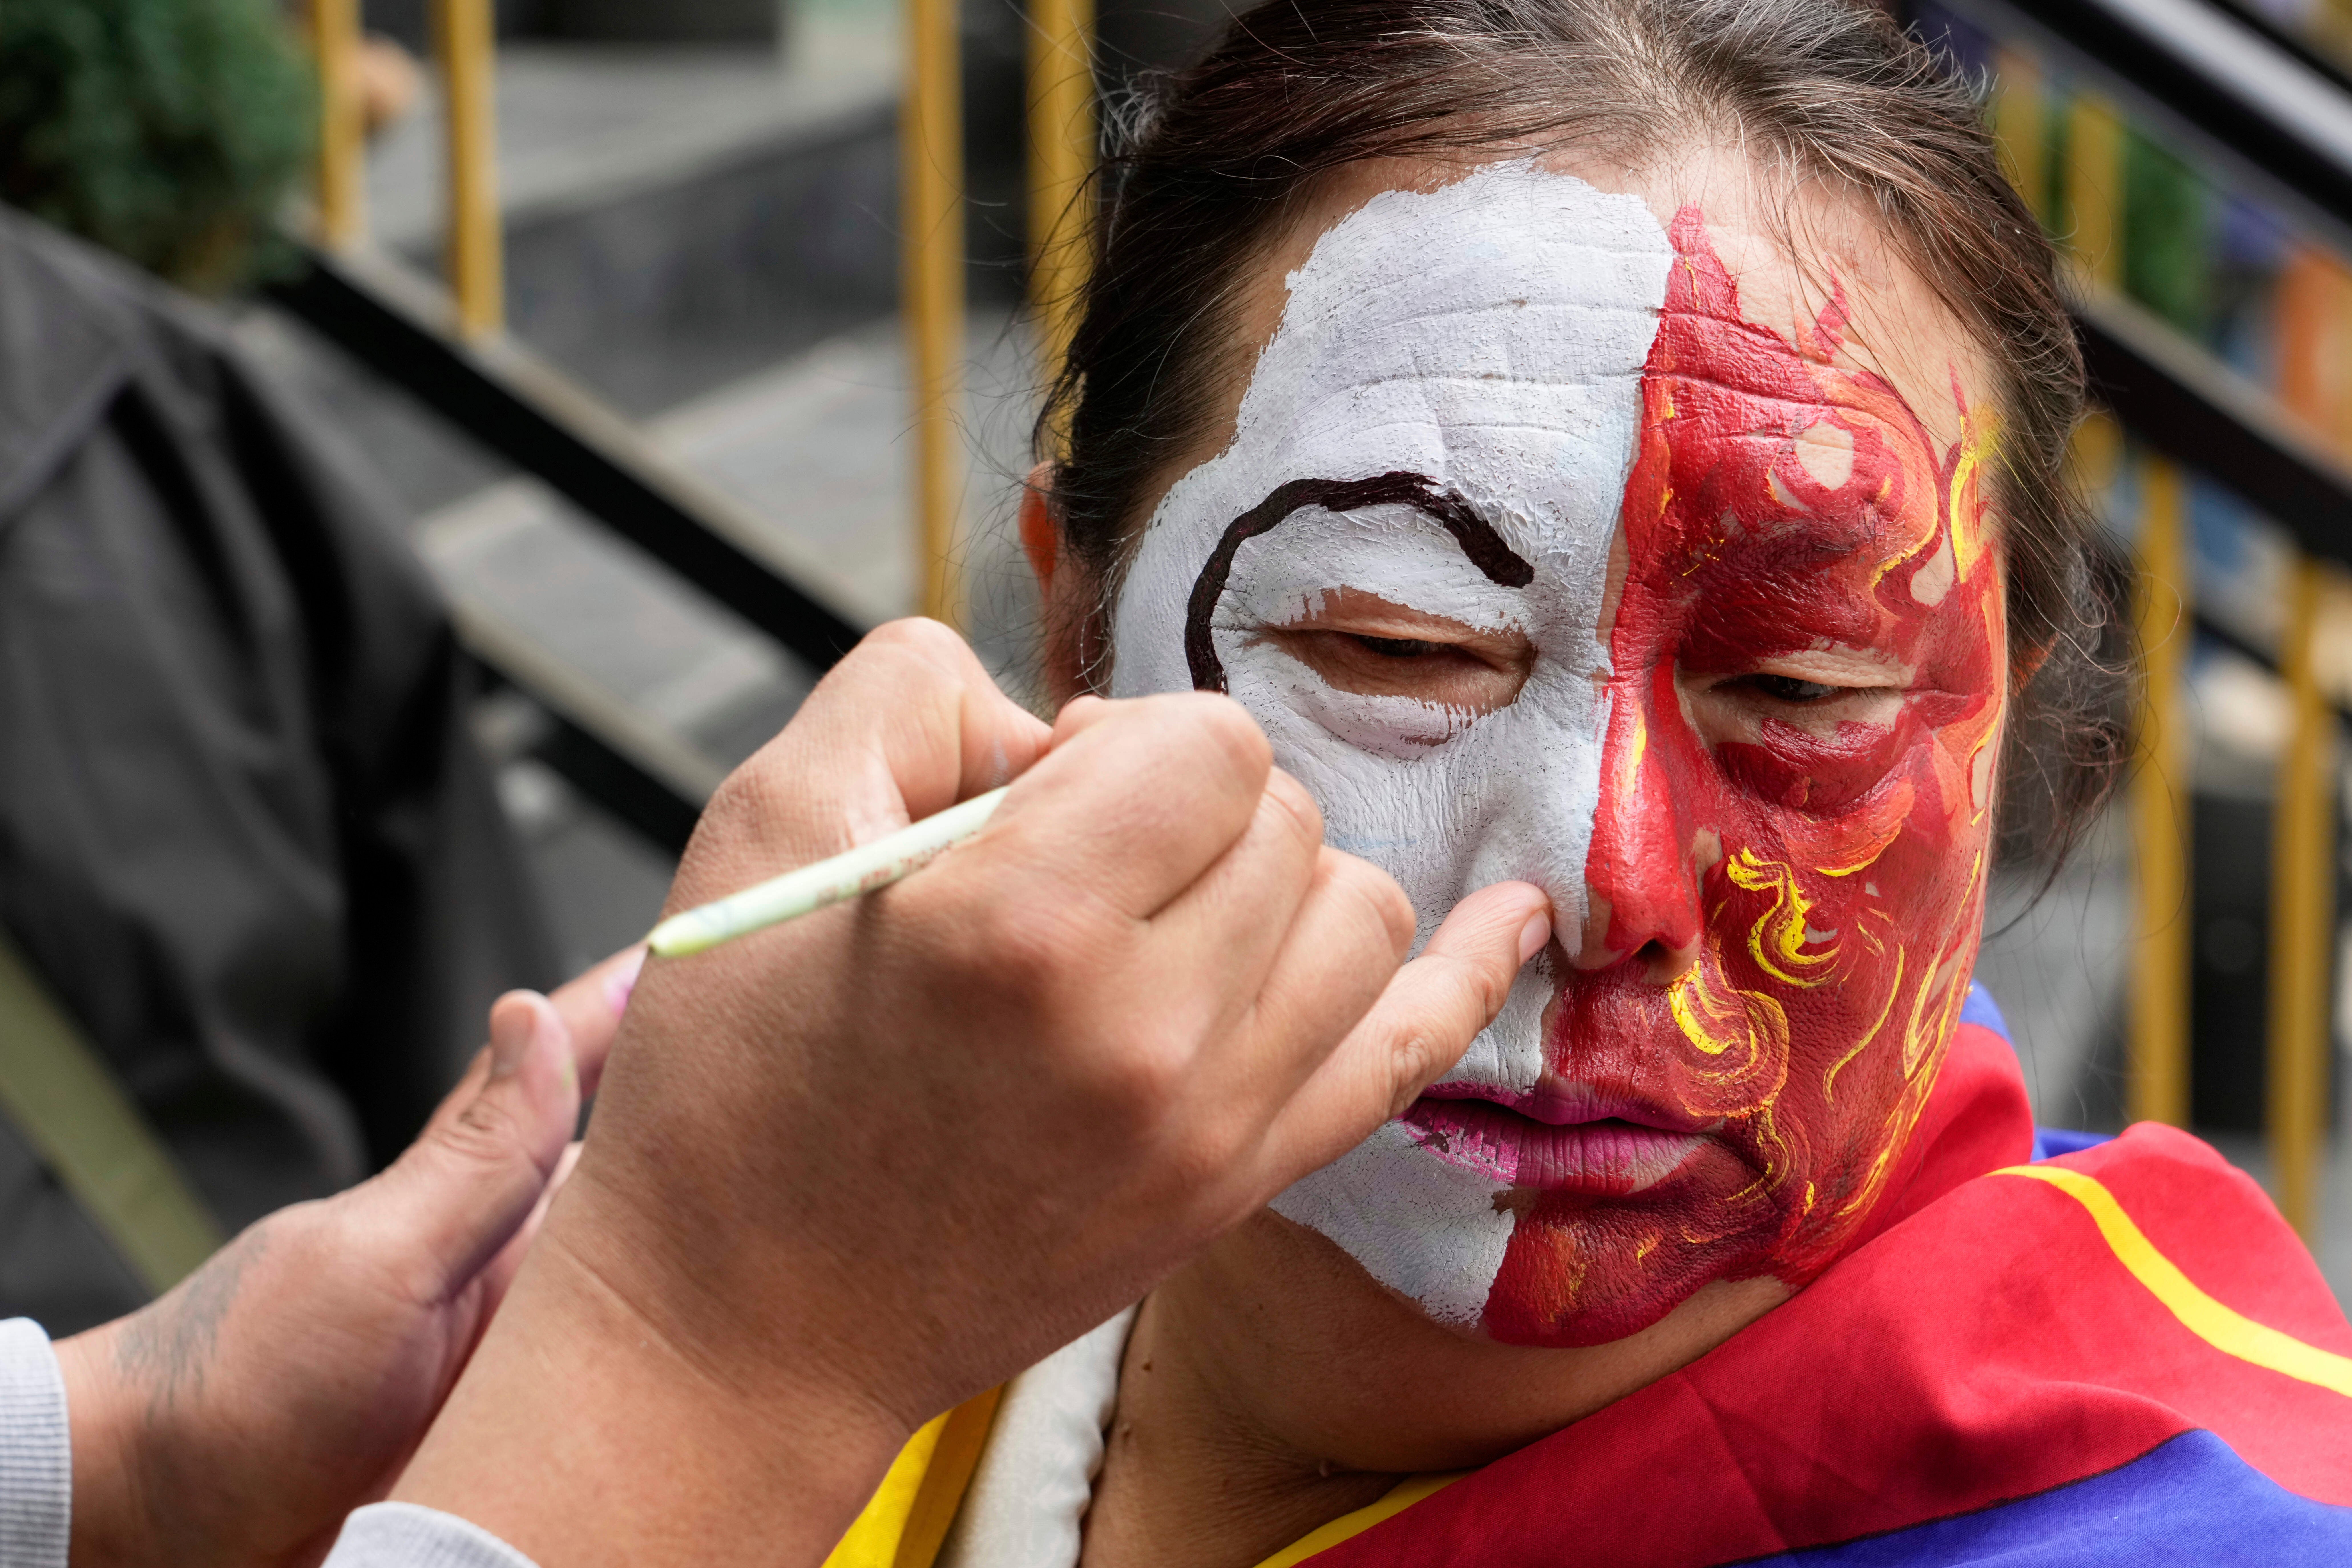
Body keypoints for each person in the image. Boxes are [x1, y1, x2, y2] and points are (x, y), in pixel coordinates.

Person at [365, 1, 2349, 1563]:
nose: (1605, 875)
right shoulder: (727, 1271)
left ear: (2005, 719)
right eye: (1396, 649)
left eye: (1803, 685)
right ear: (1076, 636)